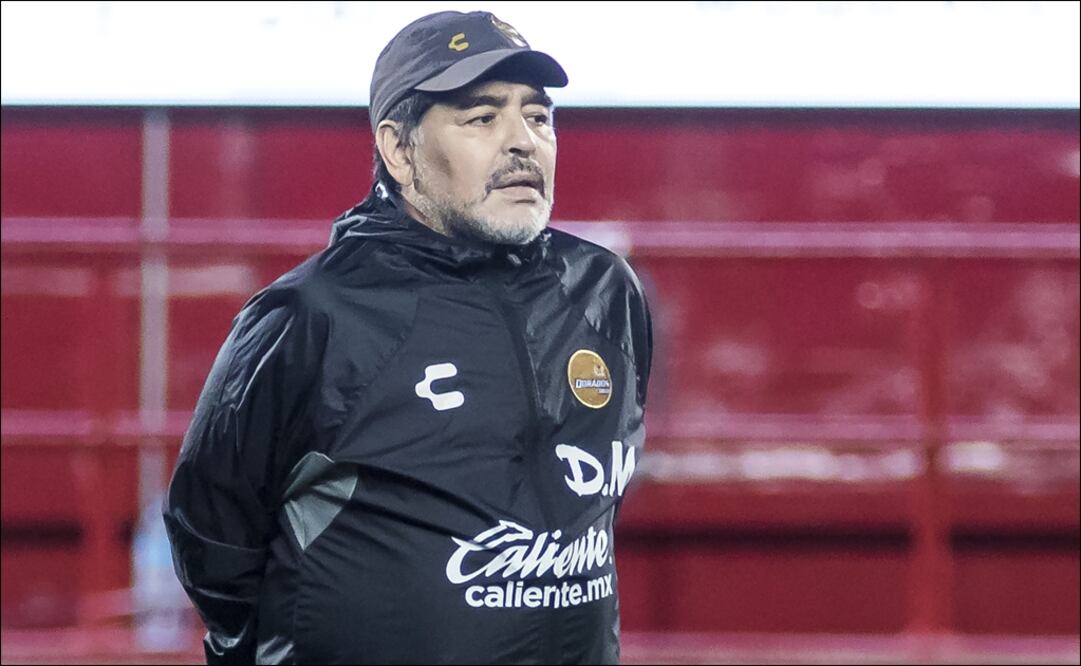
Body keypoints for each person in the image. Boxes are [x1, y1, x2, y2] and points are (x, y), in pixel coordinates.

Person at [164, 10, 652, 665]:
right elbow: (212, 535)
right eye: (482, 118)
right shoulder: (312, 314)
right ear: (399, 150)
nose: (523, 142)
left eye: (538, 117)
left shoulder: (604, 291)